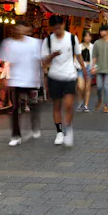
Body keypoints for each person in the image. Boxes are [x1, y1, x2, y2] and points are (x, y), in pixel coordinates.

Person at [41, 14, 85, 147]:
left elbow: (78, 55)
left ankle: (69, 128)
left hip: (70, 76)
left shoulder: (72, 38)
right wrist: (52, 56)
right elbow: (44, 62)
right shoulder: (48, 41)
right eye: (55, 28)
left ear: (63, 25)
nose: (57, 30)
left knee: (69, 104)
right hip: (54, 76)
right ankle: (59, 132)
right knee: (57, 106)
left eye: (59, 27)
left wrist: (84, 70)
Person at [0, 20, 42, 146]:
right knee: (15, 108)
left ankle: (35, 124)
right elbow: (6, 62)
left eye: (22, 28)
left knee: (33, 105)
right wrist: (5, 79)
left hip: (31, 79)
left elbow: (40, 61)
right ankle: (15, 135)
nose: (19, 30)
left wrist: (40, 78)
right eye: (17, 28)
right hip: (16, 80)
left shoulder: (34, 43)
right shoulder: (9, 43)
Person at [91, 24, 108, 113]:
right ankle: (99, 99)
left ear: (107, 31)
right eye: (100, 31)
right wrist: (93, 67)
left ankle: (105, 105)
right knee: (99, 87)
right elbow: (94, 56)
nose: (101, 32)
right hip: (99, 68)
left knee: (106, 87)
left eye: (102, 30)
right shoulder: (96, 43)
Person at [76, 31, 93, 112]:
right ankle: (81, 101)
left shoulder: (93, 47)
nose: (88, 38)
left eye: (89, 36)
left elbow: (96, 58)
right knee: (80, 86)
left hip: (90, 67)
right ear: (83, 37)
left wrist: (95, 67)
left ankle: (86, 105)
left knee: (87, 87)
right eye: (86, 36)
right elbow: (75, 58)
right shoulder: (78, 46)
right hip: (80, 67)